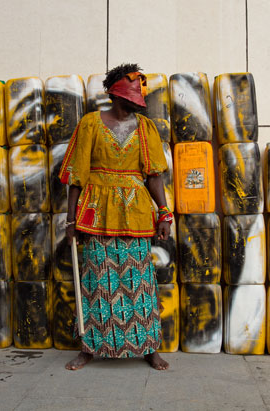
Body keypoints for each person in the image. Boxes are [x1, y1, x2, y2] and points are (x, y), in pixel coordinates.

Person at [58, 63, 172, 371]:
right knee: (97, 280)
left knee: (140, 282)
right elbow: (76, 176)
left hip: (135, 215)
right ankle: (89, 347)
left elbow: (154, 176)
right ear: (115, 95)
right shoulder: (90, 124)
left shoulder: (146, 128)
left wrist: (164, 213)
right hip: (96, 213)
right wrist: (70, 220)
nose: (137, 102)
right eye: (131, 96)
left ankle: (148, 347)